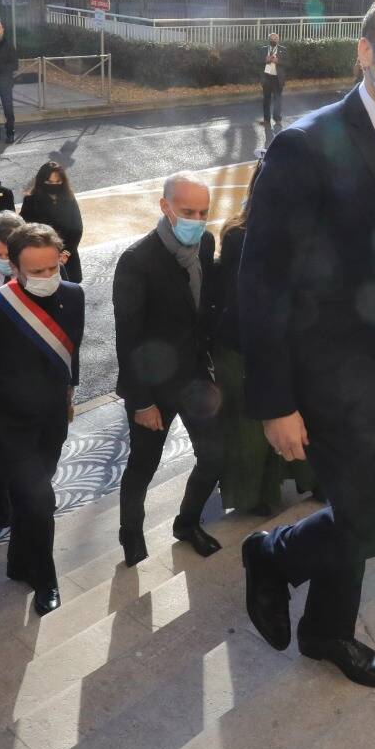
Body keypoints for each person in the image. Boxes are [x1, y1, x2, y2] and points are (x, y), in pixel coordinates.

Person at [238, 0, 375, 688]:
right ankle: (274, 553)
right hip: (320, 375)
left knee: (356, 511)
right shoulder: (305, 145)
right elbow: (262, 283)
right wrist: (275, 402)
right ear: (365, 51)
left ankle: (327, 630)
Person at [0, 222, 83, 615]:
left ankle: (18, 562)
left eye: (52, 268)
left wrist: (69, 391)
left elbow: (70, 352)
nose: (47, 277)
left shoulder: (73, 295)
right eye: (36, 271)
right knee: (41, 502)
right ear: (15, 268)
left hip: (52, 421)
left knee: (30, 498)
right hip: (8, 429)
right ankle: (45, 577)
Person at [112, 174, 228, 566]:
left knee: (214, 457)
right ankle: (131, 535)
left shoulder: (205, 243)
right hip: (152, 387)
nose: (197, 220)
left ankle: (187, 523)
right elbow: (128, 340)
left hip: (194, 377)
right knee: (143, 466)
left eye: (203, 212)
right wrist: (141, 402)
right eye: (187, 211)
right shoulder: (137, 261)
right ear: (165, 207)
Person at [205, 160, 312, 514]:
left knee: (285, 413)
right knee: (249, 429)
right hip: (241, 346)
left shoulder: (298, 230)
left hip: (279, 341)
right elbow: (247, 300)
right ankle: (255, 497)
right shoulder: (239, 234)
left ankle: (292, 480)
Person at [18, 158, 84, 282]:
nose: (53, 185)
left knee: (70, 286)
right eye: (49, 181)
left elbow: (77, 228)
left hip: (67, 255)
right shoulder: (31, 200)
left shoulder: (69, 198)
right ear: (41, 181)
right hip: (41, 256)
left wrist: (66, 252)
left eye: (57, 182)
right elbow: (26, 230)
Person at [261, 30, 287, 127]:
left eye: (275, 39)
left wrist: (278, 61)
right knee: (266, 100)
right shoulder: (263, 49)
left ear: (278, 40)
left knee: (278, 100)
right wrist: (264, 60)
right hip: (266, 78)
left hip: (277, 79)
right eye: (271, 39)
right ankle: (266, 120)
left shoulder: (283, 49)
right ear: (268, 39)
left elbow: (289, 63)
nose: (273, 40)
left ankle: (277, 120)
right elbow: (256, 61)